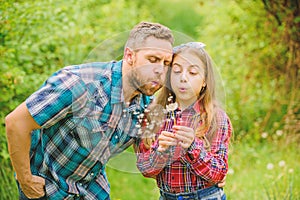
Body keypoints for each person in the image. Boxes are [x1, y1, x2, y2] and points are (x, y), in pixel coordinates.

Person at [5, 21, 174, 200]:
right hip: (48, 189)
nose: (160, 70)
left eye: (166, 63)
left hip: (92, 192)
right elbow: (16, 123)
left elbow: (148, 161)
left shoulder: (146, 106)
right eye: (153, 60)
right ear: (130, 56)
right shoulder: (79, 84)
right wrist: (25, 180)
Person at [135, 42, 232, 200]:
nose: (183, 78)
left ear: (205, 81)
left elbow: (218, 173)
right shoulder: (155, 115)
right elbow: (145, 169)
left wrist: (192, 146)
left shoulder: (215, 118)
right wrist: (161, 152)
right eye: (177, 71)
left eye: (193, 73)